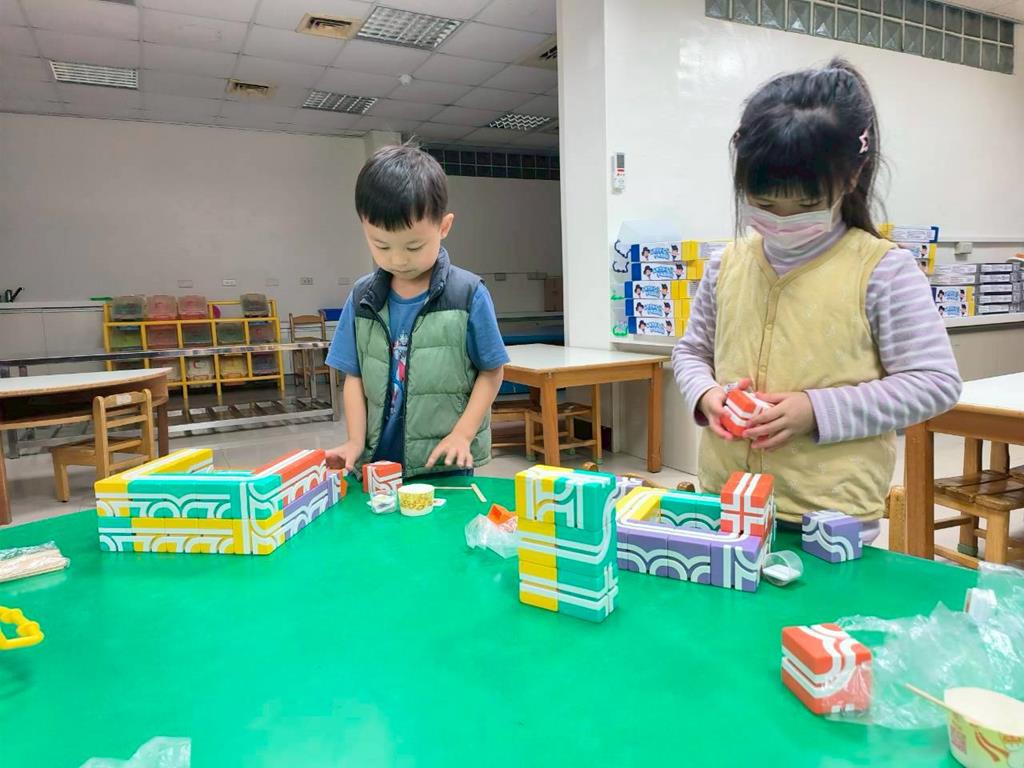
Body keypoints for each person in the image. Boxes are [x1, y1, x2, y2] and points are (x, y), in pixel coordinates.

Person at [671, 58, 962, 533]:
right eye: (764, 204)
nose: (782, 221)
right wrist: (706, 394)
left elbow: (935, 383)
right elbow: (690, 352)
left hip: (829, 515)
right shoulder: (728, 264)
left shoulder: (883, 270)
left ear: (852, 177)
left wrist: (816, 411)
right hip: (726, 500)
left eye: (806, 204)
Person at [325, 144, 509, 478]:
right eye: (381, 245)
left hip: (443, 463)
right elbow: (353, 376)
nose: (397, 259)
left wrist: (462, 434)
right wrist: (355, 441)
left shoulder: (467, 295)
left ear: (444, 227)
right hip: (378, 464)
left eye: (413, 246)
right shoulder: (363, 298)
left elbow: (492, 372)